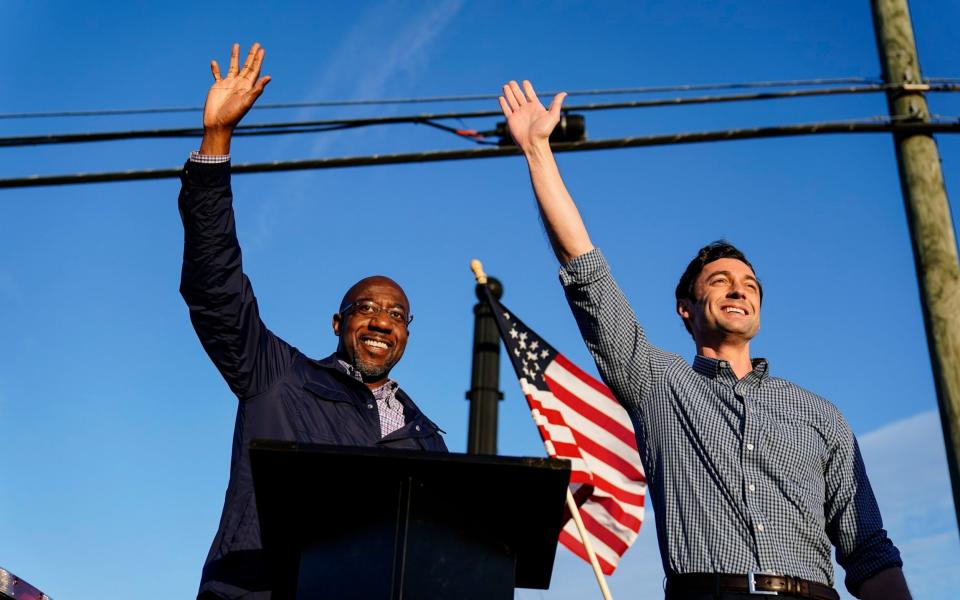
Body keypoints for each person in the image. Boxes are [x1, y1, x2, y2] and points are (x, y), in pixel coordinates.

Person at [498, 79, 910, 600]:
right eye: (719, 281)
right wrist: (537, 151)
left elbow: (869, 550)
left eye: (750, 284)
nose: (739, 288)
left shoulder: (822, 416)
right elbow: (585, 269)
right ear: (686, 309)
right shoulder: (656, 382)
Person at [179, 43, 447, 600]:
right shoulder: (277, 378)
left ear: (407, 334)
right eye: (366, 308)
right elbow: (215, 287)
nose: (380, 321)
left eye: (396, 315)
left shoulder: (425, 440)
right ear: (337, 323)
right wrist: (216, 142)